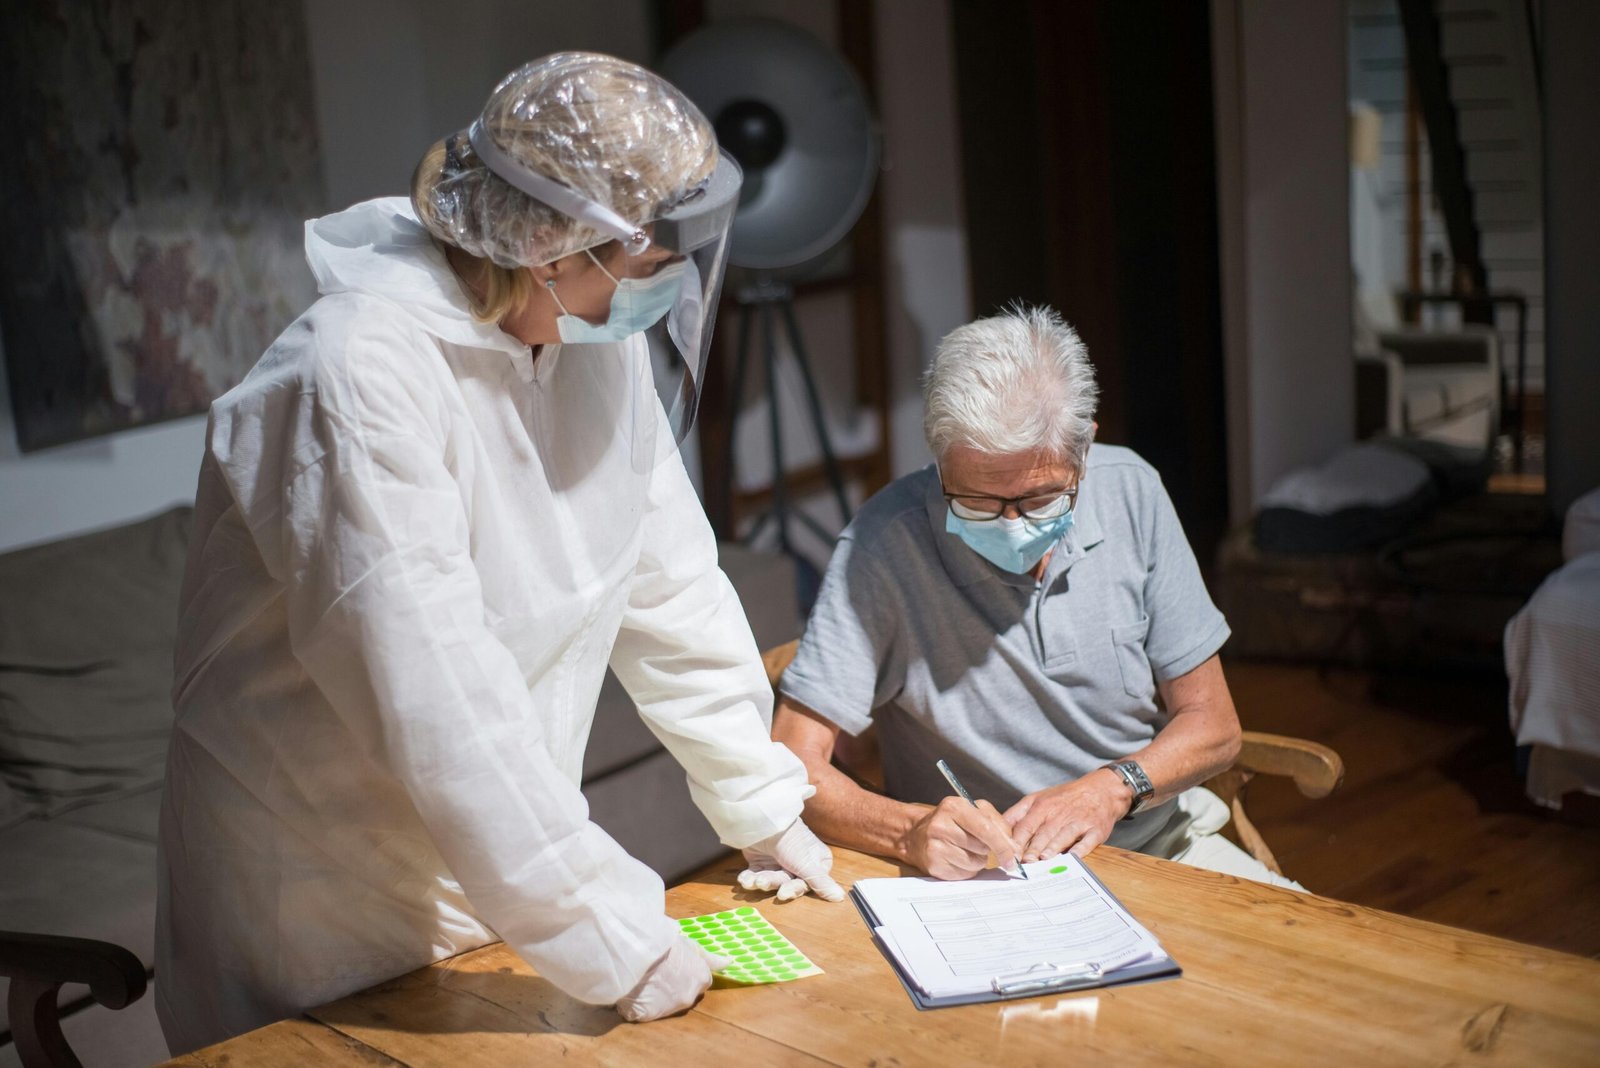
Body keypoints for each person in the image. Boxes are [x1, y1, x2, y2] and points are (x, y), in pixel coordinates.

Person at [155, 53, 841, 1055]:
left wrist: (760, 803)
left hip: (498, 871)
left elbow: (672, 586)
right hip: (322, 897)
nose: (666, 292)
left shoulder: (587, 348)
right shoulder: (354, 375)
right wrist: (615, 937)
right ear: (547, 247)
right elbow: (439, 695)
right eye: (651, 266)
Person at [772, 305, 1302, 890]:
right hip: (983, 881)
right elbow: (793, 764)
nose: (1011, 524)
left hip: (1158, 845)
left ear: (1085, 452)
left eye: (1042, 499)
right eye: (975, 501)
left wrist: (1111, 789)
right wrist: (910, 831)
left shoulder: (1131, 491)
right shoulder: (883, 544)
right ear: (938, 460)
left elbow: (1215, 725)